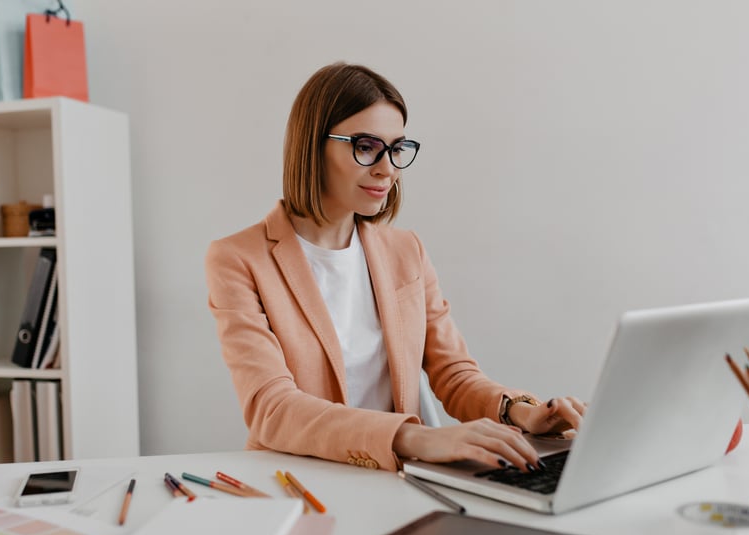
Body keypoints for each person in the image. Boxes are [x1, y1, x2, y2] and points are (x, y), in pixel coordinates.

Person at [205, 62, 585, 472]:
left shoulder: (406, 250)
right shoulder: (238, 259)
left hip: (393, 480)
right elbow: (272, 408)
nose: (387, 168)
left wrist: (522, 412)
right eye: (366, 146)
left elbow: (453, 374)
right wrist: (413, 437)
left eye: (397, 148)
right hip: (299, 481)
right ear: (313, 146)